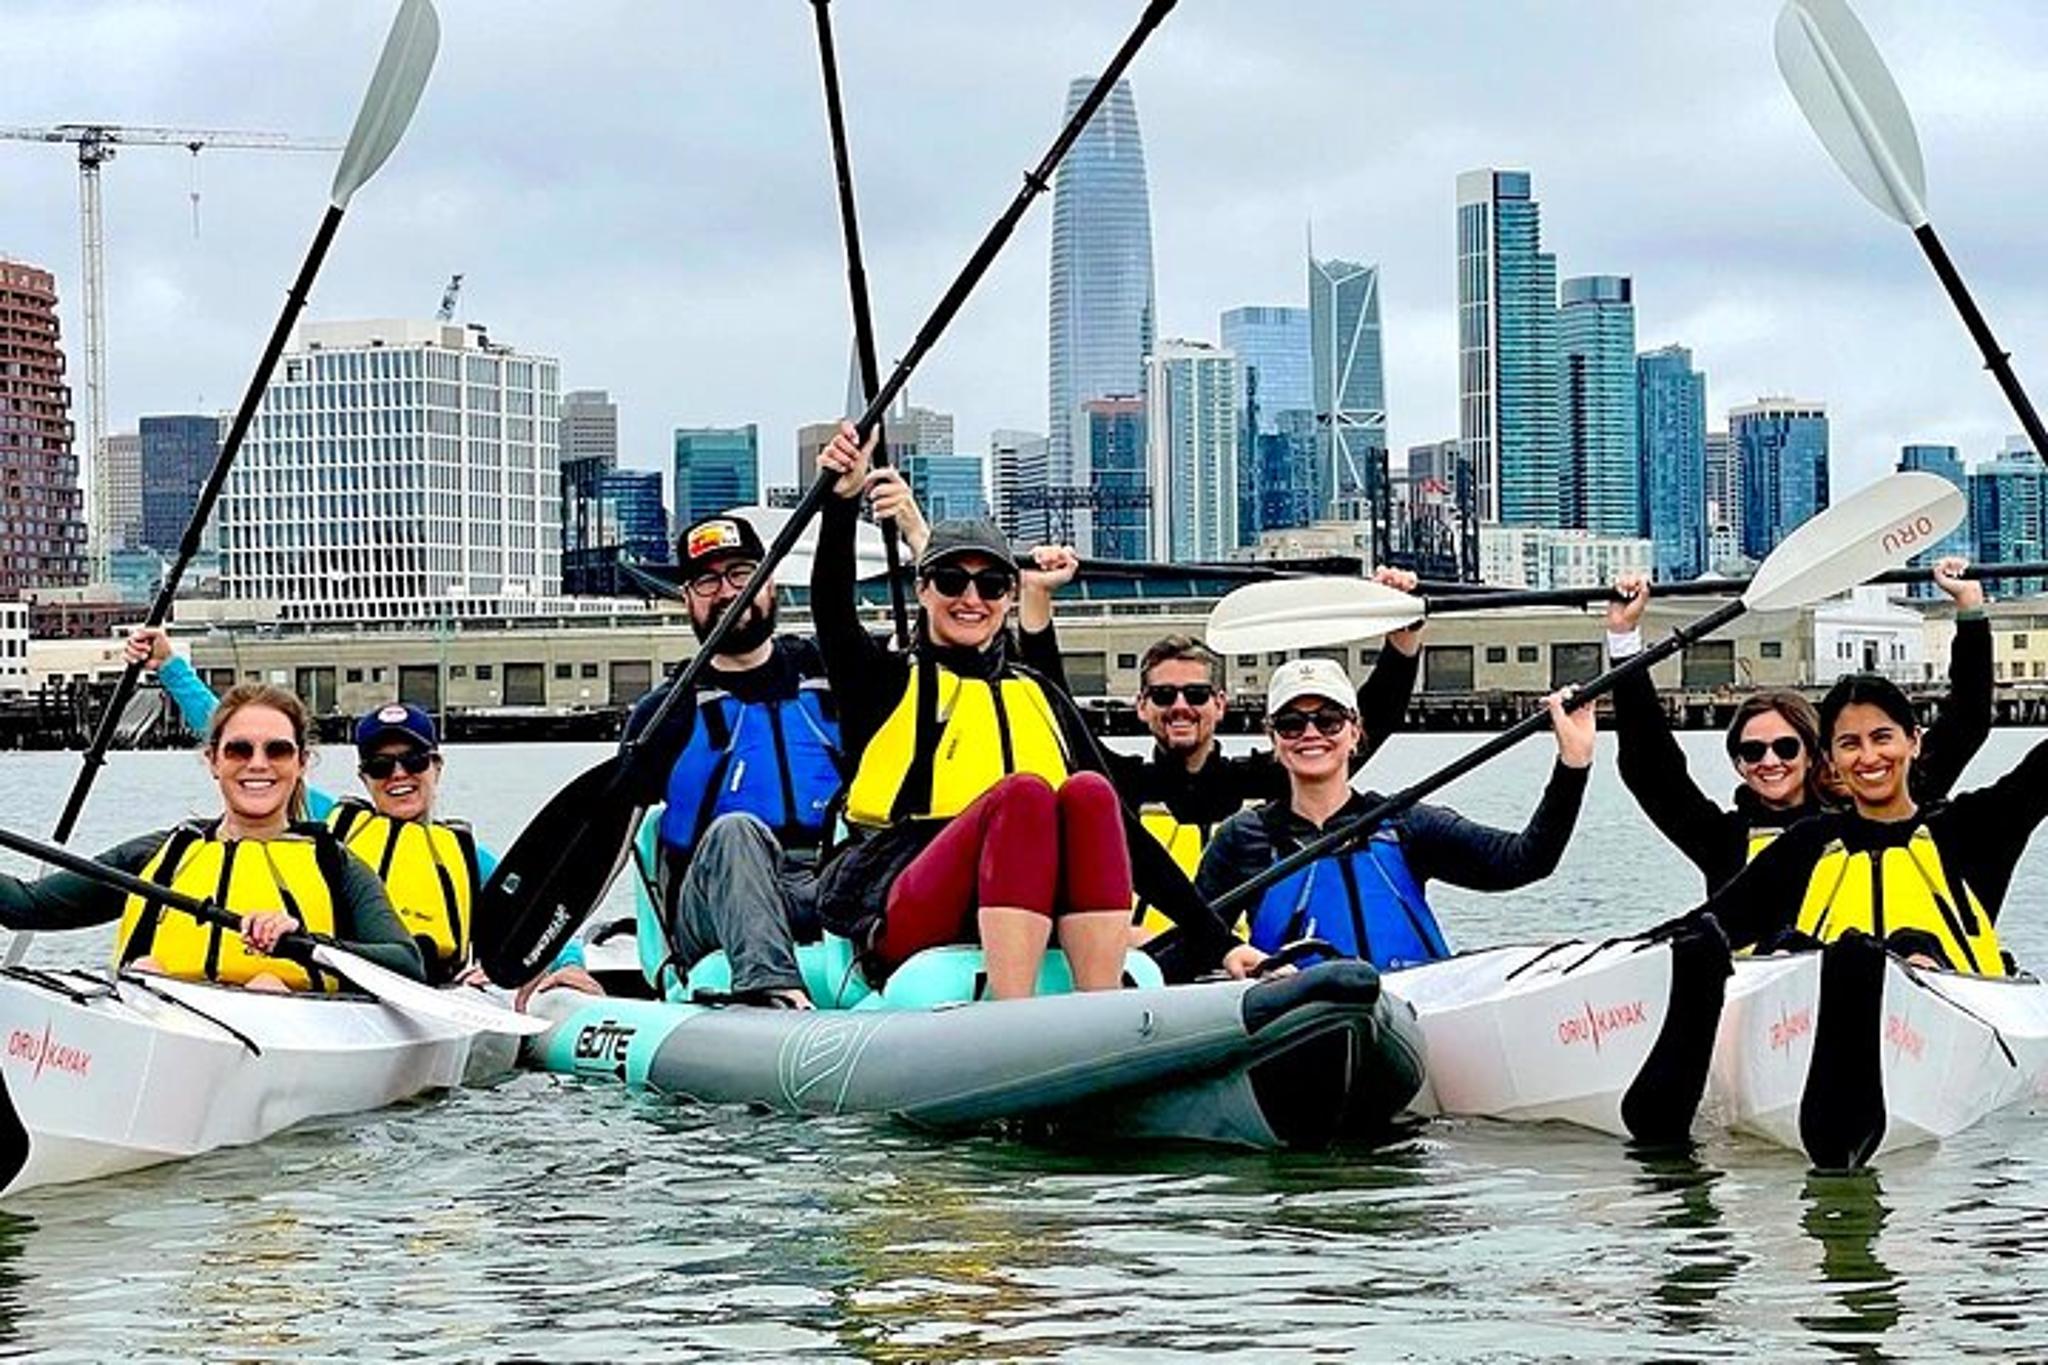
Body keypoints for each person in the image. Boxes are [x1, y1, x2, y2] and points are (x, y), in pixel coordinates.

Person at [812, 423, 1260, 999]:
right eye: (952, 580)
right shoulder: (885, 681)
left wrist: (1222, 942)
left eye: (992, 584)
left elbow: (1128, 837)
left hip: (1031, 902)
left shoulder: (1039, 694)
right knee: (1024, 794)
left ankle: (1098, 1005)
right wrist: (842, 502)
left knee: (1093, 794)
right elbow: (831, 606)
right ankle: (1014, 1008)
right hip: (910, 898)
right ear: (923, 588)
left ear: (1006, 597)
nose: (971, 599)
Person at [1604, 556, 1990, 893]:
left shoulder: (1875, 805)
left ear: (1813, 755)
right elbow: (1651, 770)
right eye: (1752, 751)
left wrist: (1969, 609)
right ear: (1739, 765)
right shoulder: (1724, 842)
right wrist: (1624, 640)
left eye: (1786, 747)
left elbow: (1965, 724)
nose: (1769, 761)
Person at [0, 683, 424, 990]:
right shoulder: (161, 855)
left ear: (301, 764)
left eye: (277, 750)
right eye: (240, 750)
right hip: (163, 1026)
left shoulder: (335, 864)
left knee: (266, 984)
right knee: (148, 969)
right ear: (213, 761)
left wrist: (305, 942)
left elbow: (407, 963)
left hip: (285, 1029)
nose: (258, 764)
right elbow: (26, 905)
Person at [129, 628, 491, 985]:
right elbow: (244, 740)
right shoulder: (331, 825)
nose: (398, 775)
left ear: (436, 767)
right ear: (363, 777)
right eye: (380, 767)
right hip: (347, 988)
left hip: (429, 986)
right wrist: (170, 667)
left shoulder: (466, 855)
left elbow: (535, 927)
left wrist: (519, 972)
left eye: (414, 761)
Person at [1194, 657, 1595, 970]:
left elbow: (1526, 860)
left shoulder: (1404, 824)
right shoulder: (1241, 838)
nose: (1311, 734)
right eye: (1291, 724)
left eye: (1329, 721)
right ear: (1274, 740)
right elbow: (1194, 943)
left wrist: (1573, 765)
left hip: (1409, 1017)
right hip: (1291, 1029)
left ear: (1354, 733)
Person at [1663, 672, 2047, 977]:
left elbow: (2015, 752)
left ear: (1914, 741)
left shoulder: (1973, 828)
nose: (1868, 757)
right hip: (1834, 1034)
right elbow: (1706, 925)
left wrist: (1971, 614)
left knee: (1913, 945)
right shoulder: (1806, 845)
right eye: (1850, 744)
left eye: (1882, 738)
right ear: (1829, 757)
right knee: (1795, 948)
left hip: (1953, 1032)